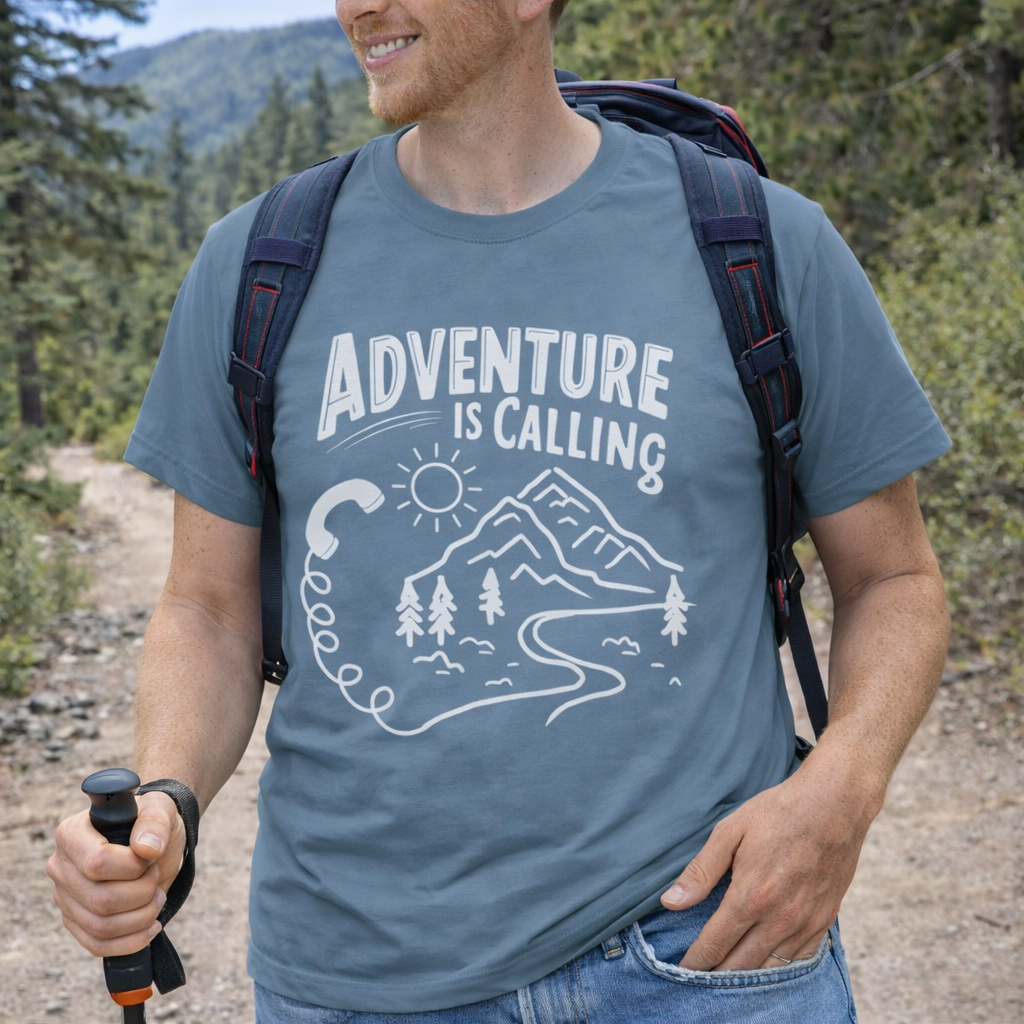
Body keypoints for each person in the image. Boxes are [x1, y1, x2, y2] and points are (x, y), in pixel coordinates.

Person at [48, 1, 952, 1021]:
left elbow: (894, 578)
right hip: (362, 975)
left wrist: (843, 789)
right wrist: (166, 797)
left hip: (702, 953)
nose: (356, 6)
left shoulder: (757, 242)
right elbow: (209, 611)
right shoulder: (258, 263)